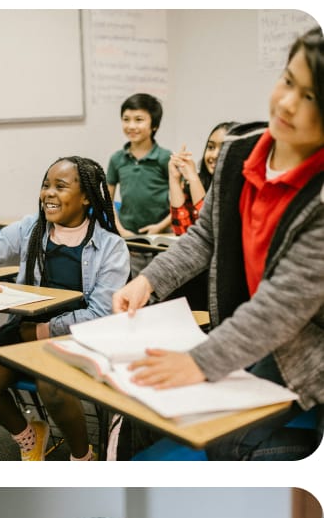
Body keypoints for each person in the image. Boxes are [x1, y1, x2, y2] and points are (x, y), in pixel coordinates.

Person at [114, 28, 324, 461]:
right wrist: (148, 280)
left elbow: (281, 307)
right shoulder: (237, 151)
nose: (287, 103)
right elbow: (206, 235)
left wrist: (200, 363)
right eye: (288, 81)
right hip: (245, 332)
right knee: (145, 409)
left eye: (311, 98)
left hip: (303, 349)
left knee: (228, 442)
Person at [0, 157, 129, 461]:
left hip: (76, 335)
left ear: (86, 197)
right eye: (45, 185)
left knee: (50, 386)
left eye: (60, 186)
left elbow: (102, 313)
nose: (48, 193)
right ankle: (29, 435)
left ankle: (82, 456)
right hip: (27, 327)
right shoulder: (30, 228)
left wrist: (41, 331)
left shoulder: (111, 247)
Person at [108, 92, 173, 238]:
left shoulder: (164, 157)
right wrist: (121, 230)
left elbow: (182, 199)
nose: (131, 126)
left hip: (161, 234)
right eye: (126, 119)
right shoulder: (116, 159)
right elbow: (107, 200)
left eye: (139, 120)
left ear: (154, 125)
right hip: (127, 235)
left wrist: (160, 226)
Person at [168, 121, 234, 235]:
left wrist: (193, 178)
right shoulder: (197, 183)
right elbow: (182, 231)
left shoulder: (243, 190)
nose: (214, 155)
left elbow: (211, 232)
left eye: (224, 148)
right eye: (211, 147)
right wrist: (174, 179)